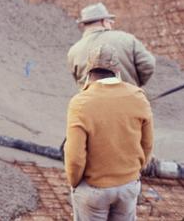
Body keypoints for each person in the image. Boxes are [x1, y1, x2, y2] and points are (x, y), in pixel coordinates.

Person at [65, 44, 154, 221]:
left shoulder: (81, 102)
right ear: (117, 72)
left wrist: (75, 183)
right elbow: (147, 144)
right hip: (128, 186)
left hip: (94, 189)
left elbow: (75, 156)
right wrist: (133, 173)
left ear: (89, 73)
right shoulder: (138, 96)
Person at [67, 2, 155, 89]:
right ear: (104, 21)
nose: (111, 24)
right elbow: (148, 64)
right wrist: (134, 85)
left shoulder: (74, 51)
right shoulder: (127, 39)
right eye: (110, 22)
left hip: (93, 102)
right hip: (127, 99)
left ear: (84, 25)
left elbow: (79, 80)